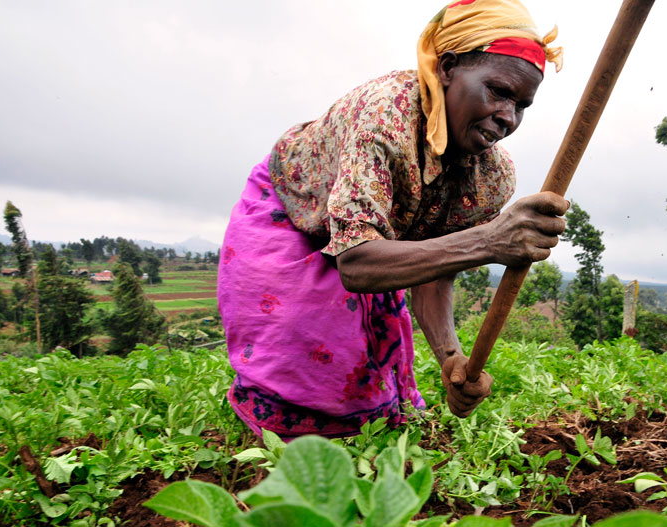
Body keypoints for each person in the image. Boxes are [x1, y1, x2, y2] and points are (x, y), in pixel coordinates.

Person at [217, 0, 568, 439]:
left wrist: (451, 359)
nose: (508, 116)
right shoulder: (385, 118)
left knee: (368, 392)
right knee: (301, 352)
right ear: (447, 68)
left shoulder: (490, 177)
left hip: (373, 237)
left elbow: (434, 272)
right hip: (293, 209)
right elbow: (357, 264)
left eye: (522, 105)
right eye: (497, 91)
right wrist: (488, 241)